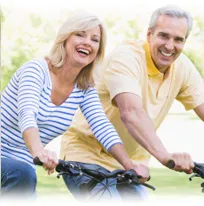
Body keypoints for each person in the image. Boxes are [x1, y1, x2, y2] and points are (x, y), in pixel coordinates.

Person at [59, 5, 204, 200]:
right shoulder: (127, 57)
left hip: (131, 166)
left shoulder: (182, 68)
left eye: (178, 39)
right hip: (86, 158)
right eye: (163, 36)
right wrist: (164, 156)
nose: (170, 46)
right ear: (149, 35)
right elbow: (131, 111)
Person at [0, 12, 149, 200]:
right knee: (21, 173)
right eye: (80, 34)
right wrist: (39, 151)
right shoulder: (36, 70)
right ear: (65, 39)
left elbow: (102, 126)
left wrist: (129, 164)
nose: (87, 42)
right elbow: (26, 113)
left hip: (23, 163)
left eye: (95, 39)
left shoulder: (84, 88)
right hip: (14, 160)